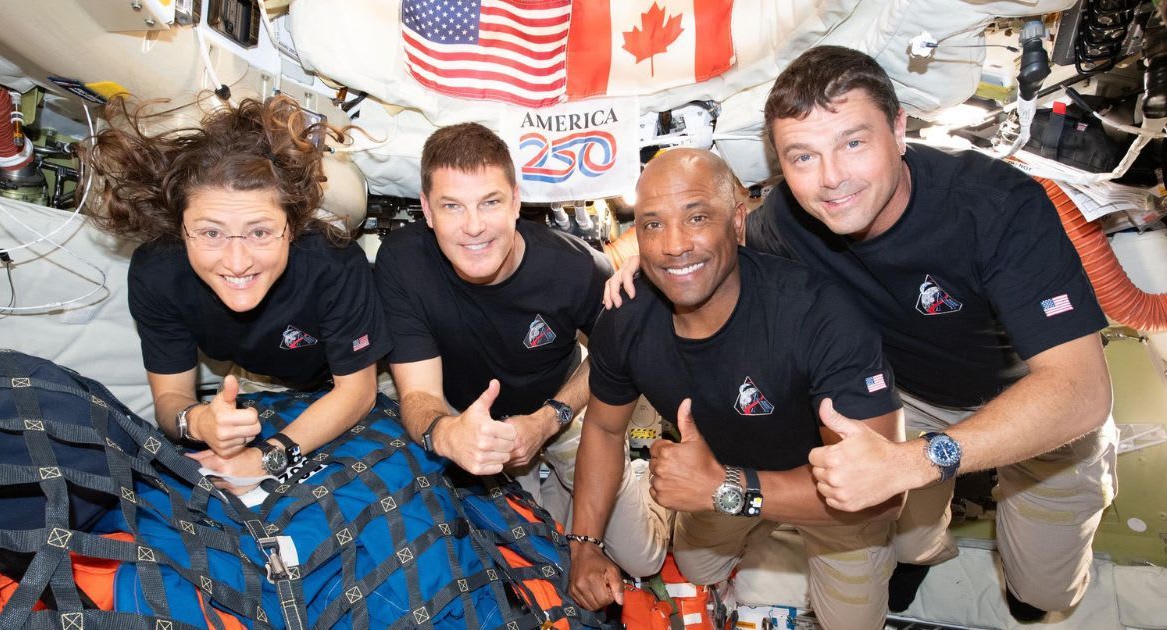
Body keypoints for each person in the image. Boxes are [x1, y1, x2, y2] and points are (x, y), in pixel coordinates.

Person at [605, 46, 1116, 622]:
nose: (831, 179)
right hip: (907, 399)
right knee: (899, 533)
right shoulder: (786, 221)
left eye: (853, 142)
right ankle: (922, 550)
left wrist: (920, 461)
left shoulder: (993, 206)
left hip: (1033, 398)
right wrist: (644, 260)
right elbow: (707, 235)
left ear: (899, 130)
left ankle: (1018, 571)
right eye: (803, 156)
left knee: (1045, 594)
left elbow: (1081, 390)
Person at [572, 148, 904, 630]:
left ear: (738, 223)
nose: (674, 246)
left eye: (698, 217)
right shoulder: (626, 319)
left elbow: (882, 495)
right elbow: (602, 428)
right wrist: (585, 543)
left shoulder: (819, 316)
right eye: (653, 225)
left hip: (833, 496)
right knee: (696, 568)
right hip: (725, 476)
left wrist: (727, 490)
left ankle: (883, 550)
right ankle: (765, 529)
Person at [374, 123, 665, 575]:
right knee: (526, 555)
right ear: (427, 211)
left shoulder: (575, 267)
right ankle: (548, 486)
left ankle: (633, 472)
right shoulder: (402, 261)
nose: (473, 227)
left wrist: (547, 420)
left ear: (515, 202)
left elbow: (611, 358)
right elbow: (418, 396)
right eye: (453, 206)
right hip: (475, 419)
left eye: (489, 202)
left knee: (642, 561)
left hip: (561, 406)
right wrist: (450, 435)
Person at [85, 95, 392, 489]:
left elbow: (357, 392)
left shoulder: (332, 261)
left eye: (260, 232)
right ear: (180, 229)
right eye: (211, 233)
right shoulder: (157, 273)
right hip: (263, 379)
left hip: (366, 375)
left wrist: (267, 458)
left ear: (293, 226)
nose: (237, 261)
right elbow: (171, 398)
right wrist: (198, 421)